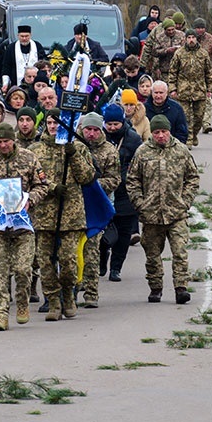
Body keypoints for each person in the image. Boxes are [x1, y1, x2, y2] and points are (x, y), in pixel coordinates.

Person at [0, 122, 50, 331]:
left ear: (14, 140)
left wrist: (30, 200)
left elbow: (42, 185)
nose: (3, 145)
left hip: (23, 226)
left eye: (6, 141)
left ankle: (23, 302)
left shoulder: (29, 158)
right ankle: (0, 314)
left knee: (23, 269)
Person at [30, 108, 96, 321]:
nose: (53, 127)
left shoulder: (78, 147)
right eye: (49, 123)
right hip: (43, 215)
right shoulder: (35, 150)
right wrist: (51, 187)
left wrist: (73, 154)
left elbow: (87, 177)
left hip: (71, 215)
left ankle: (68, 294)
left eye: (57, 123)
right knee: (45, 261)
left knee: (68, 261)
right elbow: (29, 178)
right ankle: (53, 301)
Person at [127, 114, 199, 304]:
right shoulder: (142, 152)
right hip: (151, 214)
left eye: (164, 132)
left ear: (169, 131)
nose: (160, 136)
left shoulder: (181, 151)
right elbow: (132, 180)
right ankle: (155, 287)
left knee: (180, 252)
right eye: (157, 132)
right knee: (152, 255)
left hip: (176, 213)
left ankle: (181, 287)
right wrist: (140, 204)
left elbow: (192, 178)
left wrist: (185, 201)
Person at [77, 112, 121, 308]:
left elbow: (114, 179)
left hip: (95, 206)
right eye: (88, 129)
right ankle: (72, 289)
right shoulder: (74, 146)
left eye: (95, 130)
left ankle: (91, 293)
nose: (92, 134)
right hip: (73, 207)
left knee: (92, 251)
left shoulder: (109, 151)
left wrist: (93, 185)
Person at [101, 103, 143, 279]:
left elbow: (139, 166)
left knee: (124, 233)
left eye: (115, 124)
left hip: (126, 193)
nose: (112, 128)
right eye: (109, 124)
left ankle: (116, 268)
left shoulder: (133, 139)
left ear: (122, 122)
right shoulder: (98, 137)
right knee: (101, 231)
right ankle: (102, 258)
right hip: (103, 192)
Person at [168, 31, 212, 147]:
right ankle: (188, 139)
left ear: (196, 39)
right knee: (185, 117)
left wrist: (209, 89)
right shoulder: (179, 53)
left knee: (199, 117)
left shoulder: (203, 54)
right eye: (189, 37)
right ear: (185, 39)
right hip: (183, 90)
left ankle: (194, 135)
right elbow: (173, 72)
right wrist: (173, 89)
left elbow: (209, 72)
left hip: (199, 90)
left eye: (193, 37)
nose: (191, 40)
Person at [192, 17, 212, 134]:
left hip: (207, 74)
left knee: (207, 99)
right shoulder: (189, 38)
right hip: (191, 75)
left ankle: (206, 123)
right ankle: (195, 122)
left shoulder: (210, 39)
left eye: (202, 28)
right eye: (198, 28)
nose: (200, 30)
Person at [1, 25, 46, 92]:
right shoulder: (11, 48)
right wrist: (5, 83)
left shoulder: (37, 46)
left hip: (36, 85)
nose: (24, 38)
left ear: (30, 35)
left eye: (26, 36)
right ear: (18, 36)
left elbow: (43, 64)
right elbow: (6, 66)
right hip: (16, 83)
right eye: (22, 36)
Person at [143, 80, 189, 145]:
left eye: (161, 93)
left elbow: (182, 132)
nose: (158, 96)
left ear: (166, 93)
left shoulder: (176, 108)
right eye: (156, 93)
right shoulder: (144, 108)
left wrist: (177, 146)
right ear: (151, 93)